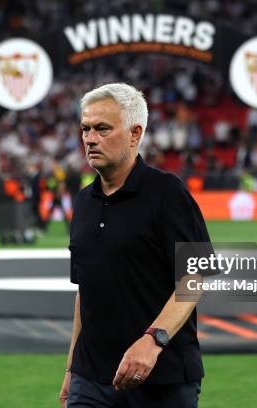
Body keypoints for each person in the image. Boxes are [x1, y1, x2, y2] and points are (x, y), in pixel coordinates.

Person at [59, 83, 209, 408]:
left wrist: (153, 341)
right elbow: (85, 290)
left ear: (134, 133)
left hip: (162, 378)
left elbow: (194, 280)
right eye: (85, 129)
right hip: (91, 379)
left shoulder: (168, 193)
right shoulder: (83, 201)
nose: (89, 139)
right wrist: (73, 367)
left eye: (102, 129)